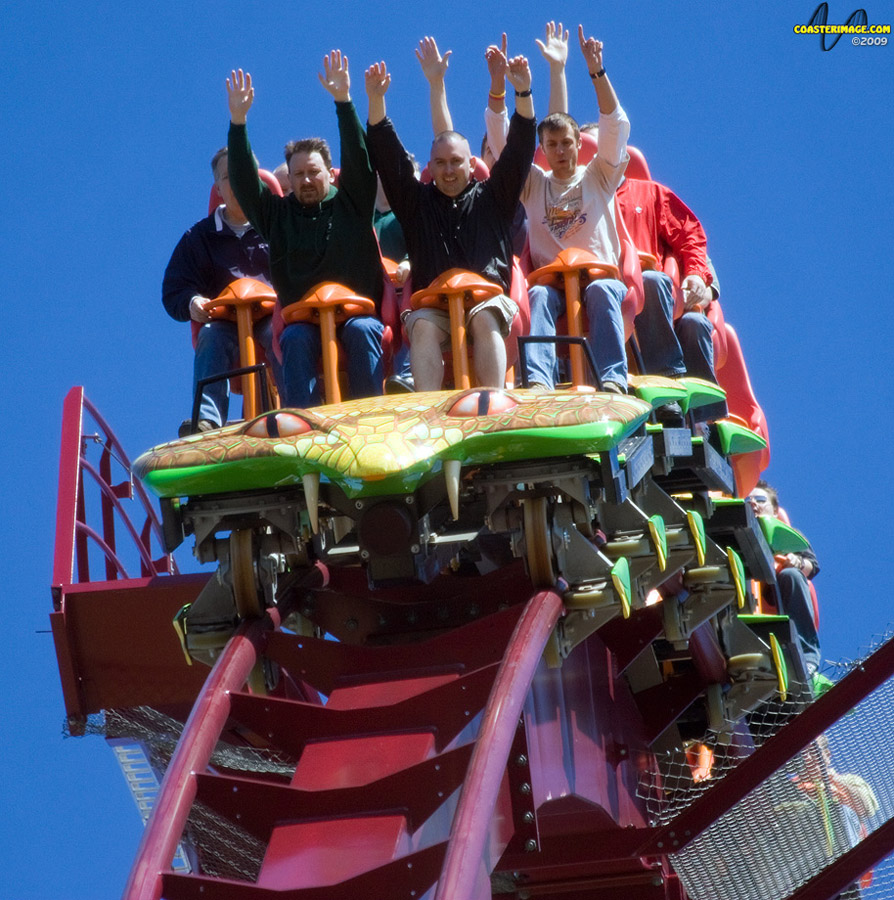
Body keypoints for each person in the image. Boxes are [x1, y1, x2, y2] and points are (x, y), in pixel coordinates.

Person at [365, 48, 536, 391]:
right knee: (422, 325)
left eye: (455, 162)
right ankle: (428, 409)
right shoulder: (417, 204)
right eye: (440, 163)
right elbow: (388, 155)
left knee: (485, 318)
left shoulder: (493, 196)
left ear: (471, 165)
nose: (448, 170)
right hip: (435, 306)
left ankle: (491, 401)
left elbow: (520, 149)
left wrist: (523, 93)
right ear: (431, 167)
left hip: (489, 300)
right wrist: (376, 101)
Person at [226, 53, 385, 408]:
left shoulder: (352, 203)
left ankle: (371, 415)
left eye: (314, 172)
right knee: (295, 339)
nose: (307, 180)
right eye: (298, 175)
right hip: (304, 321)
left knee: (362, 333)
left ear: (330, 173)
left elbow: (361, 159)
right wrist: (238, 123)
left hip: (357, 314)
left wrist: (344, 101)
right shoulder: (277, 216)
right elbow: (244, 183)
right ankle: (303, 423)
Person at [487, 26, 632, 393]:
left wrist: (596, 73)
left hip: (599, 277)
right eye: (552, 145)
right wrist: (501, 87)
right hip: (552, 282)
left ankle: (613, 380)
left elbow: (615, 126)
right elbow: (503, 146)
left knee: (601, 294)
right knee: (537, 297)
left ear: (578, 144)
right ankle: (538, 381)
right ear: (543, 150)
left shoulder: (598, 174)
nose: (561, 151)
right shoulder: (534, 184)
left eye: (567, 143)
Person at [162, 147, 282, 436]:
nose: (239, 181)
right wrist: (192, 302)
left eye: (245, 173)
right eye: (229, 177)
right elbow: (174, 288)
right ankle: (206, 420)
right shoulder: (199, 237)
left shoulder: (277, 224)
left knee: (288, 336)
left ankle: (295, 408)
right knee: (211, 336)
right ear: (218, 188)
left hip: (273, 317)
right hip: (225, 322)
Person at [748, 481, 821, 676]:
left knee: (791, 575)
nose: (753, 503)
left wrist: (796, 561)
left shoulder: (787, 536)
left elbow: (812, 566)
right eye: (748, 500)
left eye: (760, 499)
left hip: (776, 592)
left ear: (774, 510)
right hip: (747, 590)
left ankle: (807, 657)